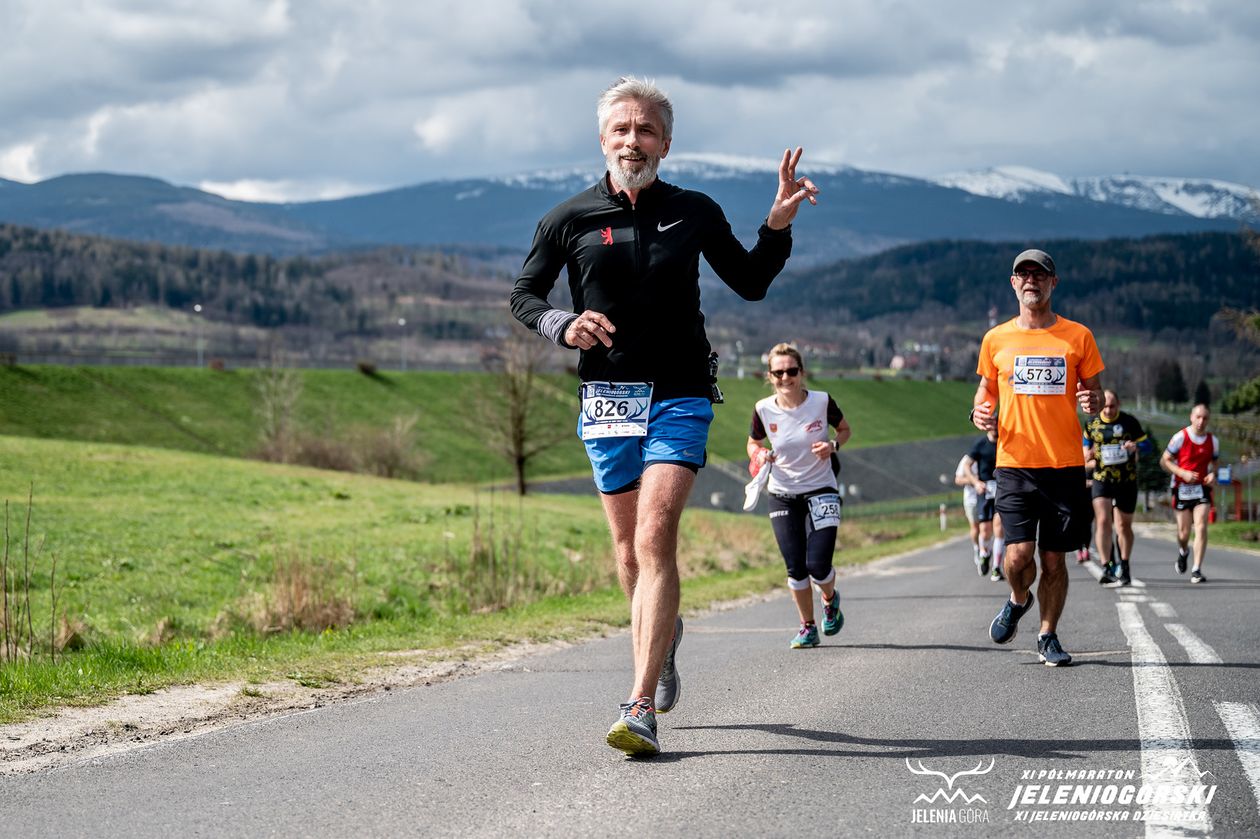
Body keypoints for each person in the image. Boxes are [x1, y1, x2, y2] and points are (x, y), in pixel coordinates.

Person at [509, 76, 818, 757]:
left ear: (666, 143)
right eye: (621, 129)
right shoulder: (568, 219)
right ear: (602, 140)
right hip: (607, 399)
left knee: (654, 538)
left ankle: (639, 701)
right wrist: (562, 322)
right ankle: (664, 636)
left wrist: (776, 228)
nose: (633, 140)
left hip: (679, 392)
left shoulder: (695, 211)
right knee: (626, 553)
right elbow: (524, 294)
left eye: (645, 130)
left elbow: (751, 281)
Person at [971, 248, 1103, 667]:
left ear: (1053, 283)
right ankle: (1017, 598)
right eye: (1022, 274)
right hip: (1014, 463)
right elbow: (984, 394)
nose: (1031, 280)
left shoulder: (1078, 336)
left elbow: (1096, 395)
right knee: (1017, 556)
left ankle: (1048, 636)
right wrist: (979, 411)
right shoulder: (996, 339)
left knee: (1054, 559)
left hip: (1064, 466)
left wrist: (1092, 400)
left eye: (1039, 274)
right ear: (1013, 284)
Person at [746, 344, 852, 648]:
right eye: (778, 372)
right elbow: (752, 443)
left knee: (818, 564)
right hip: (782, 493)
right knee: (795, 565)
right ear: (770, 376)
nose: (785, 377)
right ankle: (808, 627)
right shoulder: (763, 408)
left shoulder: (821, 401)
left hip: (821, 489)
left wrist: (833, 446)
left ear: (801, 373)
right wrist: (760, 452)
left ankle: (829, 599)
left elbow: (844, 430)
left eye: (791, 371)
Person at [1082, 391, 1150, 586]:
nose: (1109, 410)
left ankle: (1125, 564)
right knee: (1103, 520)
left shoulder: (1129, 422)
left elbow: (1147, 445)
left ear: (1118, 404)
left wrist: (1135, 446)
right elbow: (1085, 448)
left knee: (1123, 525)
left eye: (1112, 406)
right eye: (1105, 406)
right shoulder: (1092, 424)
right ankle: (1106, 566)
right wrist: (1088, 454)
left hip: (1126, 480)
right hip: (1101, 478)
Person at [1161, 404, 1219, 584]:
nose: (1201, 421)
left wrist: (1213, 474)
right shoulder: (1180, 437)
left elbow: (1215, 462)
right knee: (1184, 533)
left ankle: (1196, 569)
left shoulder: (1213, 441)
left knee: (1201, 525)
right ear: (1191, 417)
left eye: (1205, 418)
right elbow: (1165, 460)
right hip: (1181, 488)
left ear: (1208, 420)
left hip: (1201, 488)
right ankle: (1183, 551)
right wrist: (1182, 473)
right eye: (1198, 417)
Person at [960, 429, 1006, 581]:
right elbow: (966, 466)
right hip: (984, 490)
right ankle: (984, 553)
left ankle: (996, 568)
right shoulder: (980, 444)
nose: (994, 428)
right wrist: (976, 482)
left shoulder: (1005, 441)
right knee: (984, 530)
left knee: (999, 528)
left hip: (1001, 488)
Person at [955, 454, 982, 568]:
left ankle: (987, 550)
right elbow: (958, 479)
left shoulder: (990, 455)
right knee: (975, 527)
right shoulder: (967, 459)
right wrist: (974, 480)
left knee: (988, 528)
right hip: (972, 500)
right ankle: (977, 548)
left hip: (988, 497)